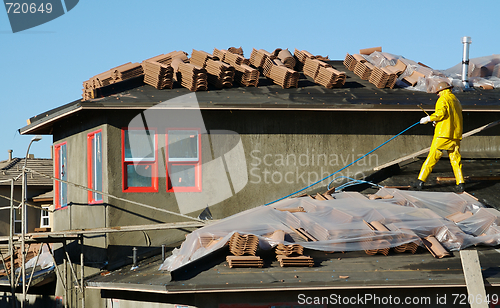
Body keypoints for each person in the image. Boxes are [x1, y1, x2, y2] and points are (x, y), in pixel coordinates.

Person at [413, 81, 465, 193]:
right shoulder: (456, 101)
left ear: (441, 90)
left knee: (432, 157)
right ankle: (460, 183)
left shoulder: (443, 99)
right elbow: (450, 117)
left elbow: (441, 114)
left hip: (443, 135)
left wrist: (428, 119)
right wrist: (437, 122)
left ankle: (420, 181)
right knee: (456, 160)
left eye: (438, 92)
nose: (438, 94)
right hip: (455, 135)